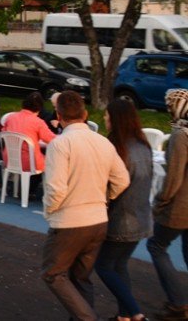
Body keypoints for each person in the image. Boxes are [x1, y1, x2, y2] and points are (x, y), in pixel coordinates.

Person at [41, 91, 129, 321]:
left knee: (53, 273)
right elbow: (122, 179)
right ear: (85, 114)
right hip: (98, 219)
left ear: (59, 116)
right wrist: (104, 198)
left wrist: (50, 211)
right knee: (81, 277)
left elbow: (56, 188)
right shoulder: (103, 142)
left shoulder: (60, 144)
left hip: (70, 220)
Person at [94, 98, 153, 321]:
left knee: (104, 266)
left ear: (116, 119)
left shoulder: (117, 149)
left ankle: (136, 313)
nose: (105, 119)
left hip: (121, 218)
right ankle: (124, 316)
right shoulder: (143, 145)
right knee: (119, 266)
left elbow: (111, 184)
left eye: (108, 116)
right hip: (142, 217)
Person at [149, 88, 188, 321]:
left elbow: (173, 178)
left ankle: (178, 303)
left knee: (156, 246)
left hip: (179, 207)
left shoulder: (180, 135)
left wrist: (160, 202)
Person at [3, 92, 57, 188]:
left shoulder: (10, 118)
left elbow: (3, 133)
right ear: (40, 108)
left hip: (10, 159)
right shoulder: (38, 122)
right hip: (29, 162)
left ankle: (24, 189)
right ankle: (32, 190)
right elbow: (52, 139)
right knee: (49, 161)